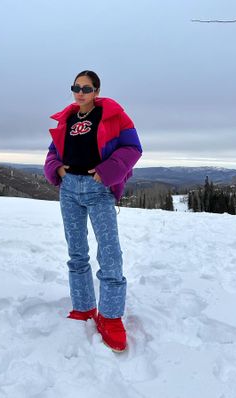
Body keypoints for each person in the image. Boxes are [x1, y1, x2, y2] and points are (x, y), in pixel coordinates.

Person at [44, 70, 142, 352]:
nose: (80, 92)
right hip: (69, 189)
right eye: (76, 87)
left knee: (109, 252)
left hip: (99, 190)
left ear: (97, 91)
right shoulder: (67, 118)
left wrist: (105, 172)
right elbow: (53, 151)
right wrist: (57, 169)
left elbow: (133, 148)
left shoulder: (114, 115)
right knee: (76, 251)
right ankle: (84, 306)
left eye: (86, 88)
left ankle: (110, 317)